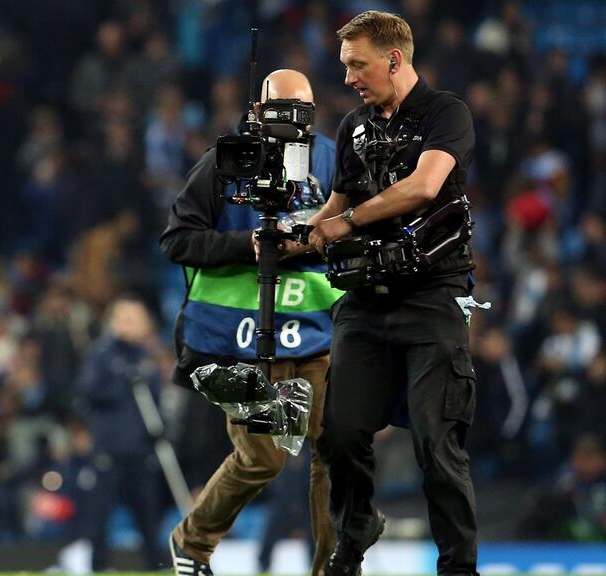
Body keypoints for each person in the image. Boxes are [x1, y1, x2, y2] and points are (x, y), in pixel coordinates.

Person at [305, 11, 478, 576]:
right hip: (364, 300)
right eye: (345, 66)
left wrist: (348, 221)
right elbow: (336, 205)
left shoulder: (445, 113)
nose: (349, 77)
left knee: (436, 444)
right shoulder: (353, 126)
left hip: (432, 297)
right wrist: (293, 234)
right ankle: (355, 531)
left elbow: (425, 186)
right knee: (339, 432)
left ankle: (458, 568)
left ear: (394, 59)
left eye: (358, 65)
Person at [160, 69, 340, 576]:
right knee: (263, 458)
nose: (293, 121)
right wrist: (247, 244)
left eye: (302, 111)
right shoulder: (226, 162)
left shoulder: (332, 159)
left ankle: (335, 566)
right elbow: (176, 240)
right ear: (257, 111)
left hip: (314, 335)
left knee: (337, 450)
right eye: (282, 110)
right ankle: (191, 542)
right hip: (240, 339)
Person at [75, 295, 165, 571]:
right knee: (100, 512)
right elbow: (88, 392)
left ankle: (157, 565)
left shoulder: (145, 356)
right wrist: (123, 381)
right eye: (124, 319)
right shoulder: (101, 353)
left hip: (140, 449)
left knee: (147, 513)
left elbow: (156, 400)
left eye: (134, 319)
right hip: (109, 448)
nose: (129, 325)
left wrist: (159, 431)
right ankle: (99, 566)